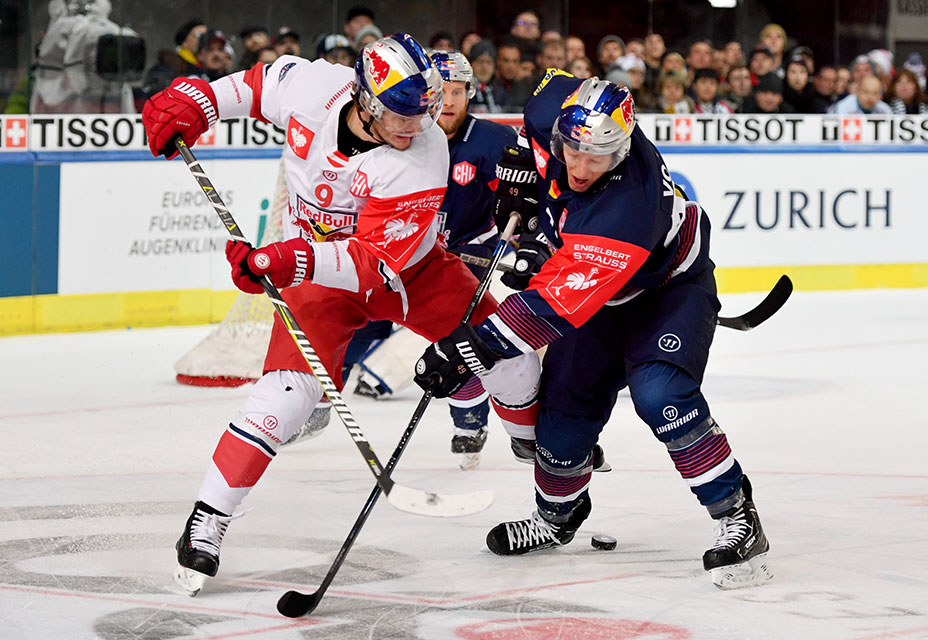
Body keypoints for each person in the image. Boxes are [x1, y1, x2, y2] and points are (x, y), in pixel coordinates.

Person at [141, 33, 537, 596]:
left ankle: (534, 445)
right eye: (401, 114)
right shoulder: (313, 87)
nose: (417, 125)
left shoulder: (424, 153)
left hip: (412, 273)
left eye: (424, 110)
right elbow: (254, 86)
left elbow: (373, 265)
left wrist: (283, 258)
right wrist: (200, 101)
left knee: (511, 355)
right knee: (282, 399)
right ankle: (209, 519)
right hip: (318, 282)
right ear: (366, 99)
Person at [413, 76, 772, 589]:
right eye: (571, 151)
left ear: (621, 151)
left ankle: (737, 514)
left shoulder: (627, 210)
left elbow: (549, 309)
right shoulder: (551, 109)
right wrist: (521, 171)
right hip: (592, 291)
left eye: (597, 158)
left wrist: (465, 348)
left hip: (665, 293)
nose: (580, 168)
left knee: (661, 395)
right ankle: (557, 519)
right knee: (560, 424)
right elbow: (546, 113)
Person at [345, 50, 519, 470]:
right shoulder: (397, 139)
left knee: (459, 341)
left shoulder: (493, 141)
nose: (451, 101)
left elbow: (528, 194)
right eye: (444, 92)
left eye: (459, 91)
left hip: (467, 255)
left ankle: (472, 420)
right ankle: (323, 384)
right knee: (353, 317)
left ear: (470, 93)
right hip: (403, 253)